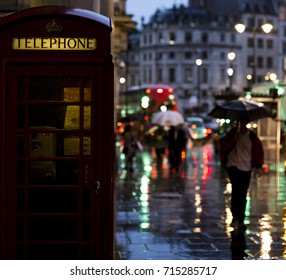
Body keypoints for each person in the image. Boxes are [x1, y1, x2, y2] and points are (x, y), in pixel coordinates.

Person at [220, 121, 264, 231]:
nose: (241, 125)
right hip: (233, 165)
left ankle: (240, 218)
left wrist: (258, 166)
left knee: (243, 192)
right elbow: (225, 147)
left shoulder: (252, 136)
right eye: (239, 123)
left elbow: (258, 150)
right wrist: (235, 139)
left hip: (246, 167)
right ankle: (235, 217)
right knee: (236, 191)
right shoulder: (231, 134)